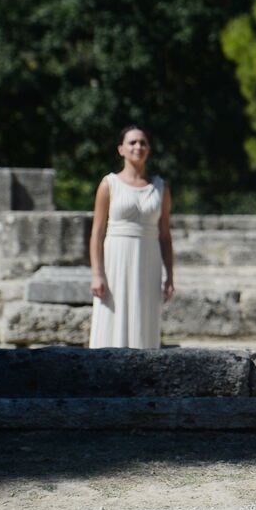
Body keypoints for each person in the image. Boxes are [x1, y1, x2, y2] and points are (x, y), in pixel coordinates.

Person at [89, 125, 174, 349]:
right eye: (132, 142)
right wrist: (97, 274)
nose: (138, 147)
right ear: (121, 149)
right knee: (111, 316)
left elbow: (165, 235)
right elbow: (97, 233)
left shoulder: (160, 188)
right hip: (116, 258)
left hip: (148, 259)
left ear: (149, 149)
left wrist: (170, 276)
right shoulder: (109, 184)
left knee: (144, 315)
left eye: (143, 143)